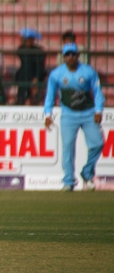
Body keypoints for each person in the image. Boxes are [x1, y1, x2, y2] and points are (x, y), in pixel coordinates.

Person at [43, 42, 104, 192]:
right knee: (68, 148)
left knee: (97, 143)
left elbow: (97, 92)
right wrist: (48, 114)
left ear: (78, 56)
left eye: (73, 54)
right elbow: (50, 95)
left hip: (88, 113)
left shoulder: (88, 71)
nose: (70, 57)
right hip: (68, 115)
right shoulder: (57, 74)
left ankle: (87, 173)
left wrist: (98, 111)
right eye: (67, 55)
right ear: (64, 57)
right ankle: (69, 181)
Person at [13, 28, 46, 105]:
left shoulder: (39, 51)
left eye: (30, 40)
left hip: (36, 75)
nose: (28, 42)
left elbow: (41, 67)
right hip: (24, 75)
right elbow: (19, 53)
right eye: (26, 40)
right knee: (24, 71)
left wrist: (36, 78)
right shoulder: (22, 49)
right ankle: (21, 98)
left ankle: (33, 98)